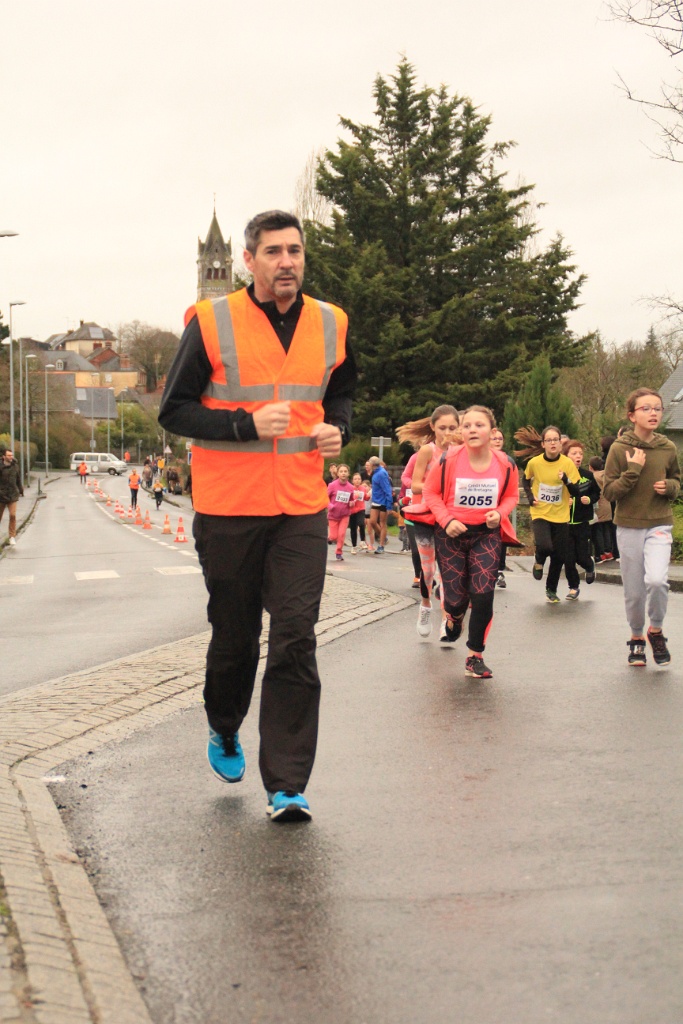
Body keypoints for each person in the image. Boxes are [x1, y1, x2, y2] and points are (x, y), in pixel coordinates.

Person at [158, 209, 356, 822]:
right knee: (236, 636)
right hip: (229, 508)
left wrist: (338, 427)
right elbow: (174, 410)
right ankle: (224, 723)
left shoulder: (331, 322)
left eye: (295, 250)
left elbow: (341, 390)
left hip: (301, 505)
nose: (286, 261)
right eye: (273, 252)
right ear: (249, 261)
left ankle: (287, 784)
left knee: (296, 633)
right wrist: (243, 425)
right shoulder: (211, 322)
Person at [422, 406, 520, 679]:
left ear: (492, 431)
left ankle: (475, 656)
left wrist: (499, 513)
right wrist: (446, 520)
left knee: (483, 595)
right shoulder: (448, 460)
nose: (472, 430)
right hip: (451, 535)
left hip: (486, 535)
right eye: (467, 426)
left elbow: (511, 496)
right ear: (461, 432)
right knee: (456, 600)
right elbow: (430, 492)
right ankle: (454, 617)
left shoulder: (506, 464)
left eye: (479, 425)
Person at [603, 388, 680, 667]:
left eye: (657, 408)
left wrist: (669, 487)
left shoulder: (668, 448)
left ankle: (655, 631)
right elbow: (609, 492)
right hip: (629, 526)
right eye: (645, 408)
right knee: (634, 591)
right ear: (632, 415)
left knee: (657, 581)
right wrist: (633, 470)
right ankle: (636, 637)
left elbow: (677, 481)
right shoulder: (619, 448)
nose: (653, 413)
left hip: (659, 524)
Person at [397, 405, 459, 638]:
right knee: (428, 570)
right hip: (425, 516)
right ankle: (425, 605)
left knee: (447, 571)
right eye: (442, 428)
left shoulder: (461, 453)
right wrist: (438, 488)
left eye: (452, 428)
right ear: (433, 427)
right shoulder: (426, 451)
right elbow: (414, 485)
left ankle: (445, 620)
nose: (447, 433)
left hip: (449, 518)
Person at [515, 425, 580, 603]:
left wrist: (566, 480)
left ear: (560, 443)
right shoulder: (535, 463)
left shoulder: (567, 464)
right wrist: (530, 497)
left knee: (559, 555)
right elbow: (525, 480)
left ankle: (551, 589)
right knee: (545, 546)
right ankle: (539, 559)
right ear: (543, 444)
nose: (553, 443)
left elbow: (576, 492)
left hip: (561, 515)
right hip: (540, 512)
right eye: (549, 440)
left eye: (556, 440)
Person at [562, 440, 601, 600]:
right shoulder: (560, 476)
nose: (578, 456)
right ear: (566, 456)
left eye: (580, 453)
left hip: (582, 522)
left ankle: (589, 565)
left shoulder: (587, 476)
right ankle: (573, 587)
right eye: (574, 453)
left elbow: (597, 493)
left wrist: (589, 499)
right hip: (564, 523)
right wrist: (564, 502)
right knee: (568, 558)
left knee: (581, 556)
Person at [489, 427, 515, 589]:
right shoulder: (481, 458)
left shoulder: (508, 461)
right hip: (484, 505)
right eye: (495, 438)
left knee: (501, 535)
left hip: (501, 505)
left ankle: (499, 570)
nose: (498, 441)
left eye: (500, 438)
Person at [588, 456, 614, 561]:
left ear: (591, 467)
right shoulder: (606, 475)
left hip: (598, 506)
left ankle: (601, 553)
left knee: (598, 530)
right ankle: (609, 551)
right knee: (606, 529)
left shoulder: (593, 477)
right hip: (607, 504)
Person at [327, 463, 355, 560]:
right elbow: (325, 498)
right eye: (341, 471)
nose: (343, 473)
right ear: (338, 474)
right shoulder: (332, 485)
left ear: (348, 474)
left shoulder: (351, 487)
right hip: (333, 515)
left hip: (345, 515)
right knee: (334, 536)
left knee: (342, 534)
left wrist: (352, 503)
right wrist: (330, 506)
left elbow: (352, 499)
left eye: (345, 471)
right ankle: (329, 538)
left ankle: (339, 552)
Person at [367, 456, 394, 553]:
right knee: (372, 521)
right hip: (376, 501)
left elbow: (387, 489)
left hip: (383, 501)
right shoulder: (375, 472)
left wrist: (389, 505)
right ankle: (384, 537)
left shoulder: (381, 473)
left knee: (382, 523)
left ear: (372, 464)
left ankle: (381, 545)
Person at [0, 448, 23, 547]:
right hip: (1, 495)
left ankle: (12, 536)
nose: (11, 457)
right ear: (4, 457)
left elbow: (18, 479)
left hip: (12, 495)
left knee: (12, 515)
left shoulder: (15, 466)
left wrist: (21, 490)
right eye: (9, 455)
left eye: (12, 455)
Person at [348, 472, 369, 553]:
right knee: (353, 528)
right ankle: (354, 546)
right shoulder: (350, 488)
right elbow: (348, 499)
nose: (357, 480)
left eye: (359, 479)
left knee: (361, 523)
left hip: (361, 508)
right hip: (352, 510)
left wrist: (369, 495)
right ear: (352, 481)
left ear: (361, 480)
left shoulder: (363, 488)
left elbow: (366, 498)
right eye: (355, 479)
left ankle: (362, 541)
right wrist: (355, 496)